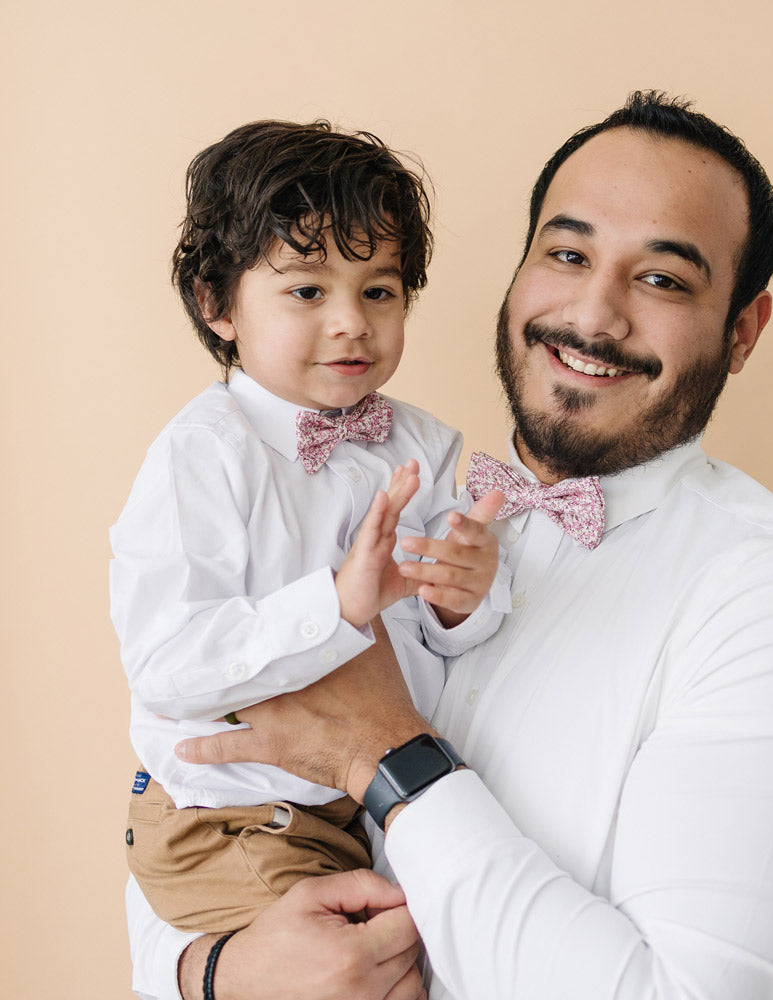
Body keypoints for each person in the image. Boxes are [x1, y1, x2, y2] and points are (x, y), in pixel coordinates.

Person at [127, 92, 773, 1000]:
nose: (594, 313)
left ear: (742, 330)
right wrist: (210, 972)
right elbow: (186, 785)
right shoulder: (401, 484)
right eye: (567, 254)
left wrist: (385, 753)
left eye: (661, 278)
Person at [111, 120, 509, 937]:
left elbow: (450, 652)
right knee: (363, 966)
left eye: (379, 290)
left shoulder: (425, 446)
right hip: (230, 819)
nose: (352, 322)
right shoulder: (205, 455)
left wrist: (464, 599)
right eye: (307, 291)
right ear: (217, 304)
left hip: (361, 808)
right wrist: (335, 603)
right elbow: (164, 664)